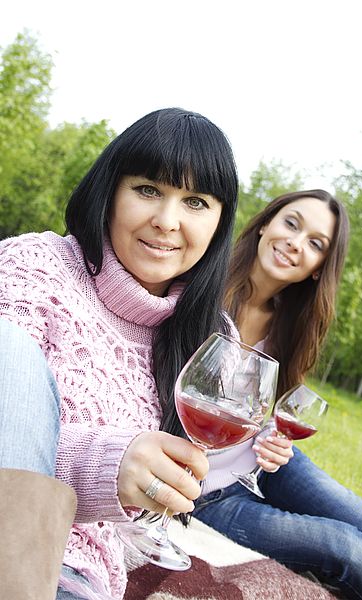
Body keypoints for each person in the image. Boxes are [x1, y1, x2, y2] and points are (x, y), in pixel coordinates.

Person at [0, 107, 239, 600]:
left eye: (195, 202)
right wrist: (104, 467)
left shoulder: (211, 338)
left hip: (72, 577)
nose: (167, 221)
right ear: (111, 191)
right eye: (149, 190)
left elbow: (169, 504)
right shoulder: (36, 267)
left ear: (219, 223)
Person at [193, 190, 362, 600]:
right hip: (209, 489)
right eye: (291, 223)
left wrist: (277, 439)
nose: (296, 242)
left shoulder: (291, 323)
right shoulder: (201, 289)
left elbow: (273, 404)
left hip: (264, 460)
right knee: (348, 548)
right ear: (266, 223)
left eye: (315, 243)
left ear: (318, 268)